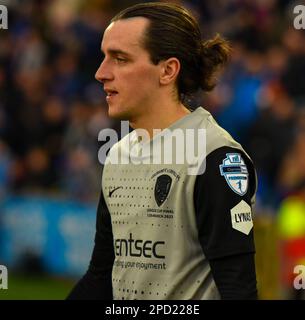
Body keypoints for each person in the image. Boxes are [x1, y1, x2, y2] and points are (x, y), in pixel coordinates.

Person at [67, 2, 258, 300]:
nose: (101, 73)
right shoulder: (117, 155)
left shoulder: (215, 156)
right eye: (104, 57)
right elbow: (102, 276)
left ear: (168, 70)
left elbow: (238, 290)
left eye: (120, 59)